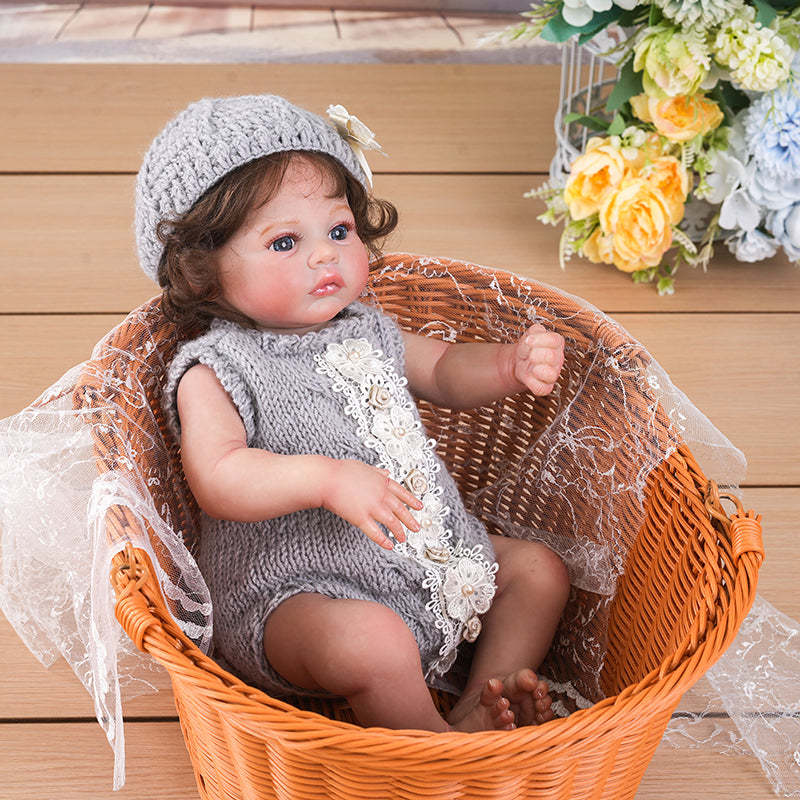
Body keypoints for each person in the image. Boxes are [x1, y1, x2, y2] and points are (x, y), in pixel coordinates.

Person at [136, 93, 571, 733]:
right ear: (204, 272)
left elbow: (444, 371)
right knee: (373, 643)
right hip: (298, 593)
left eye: (339, 231)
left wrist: (510, 364)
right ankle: (434, 753)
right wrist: (326, 478)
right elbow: (219, 476)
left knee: (538, 571)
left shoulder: (366, 328)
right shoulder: (216, 368)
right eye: (286, 241)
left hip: (417, 555)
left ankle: (485, 699)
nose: (324, 255)